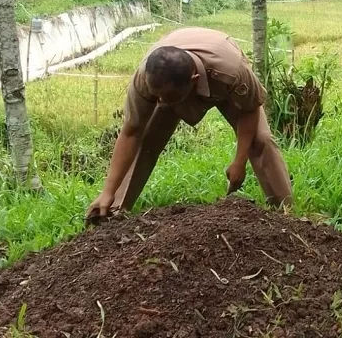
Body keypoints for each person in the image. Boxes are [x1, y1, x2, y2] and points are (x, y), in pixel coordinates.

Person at [85, 27, 293, 223]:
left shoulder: (232, 71)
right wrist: (107, 191)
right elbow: (131, 132)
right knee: (146, 138)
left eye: (169, 98)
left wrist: (239, 161)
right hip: (173, 79)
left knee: (261, 140)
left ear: (194, 80)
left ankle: (284, 212)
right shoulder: (146, 79)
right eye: (157, 97)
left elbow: (249, 109)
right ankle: (112, 210)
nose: (160, 104)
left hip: (220, 79)